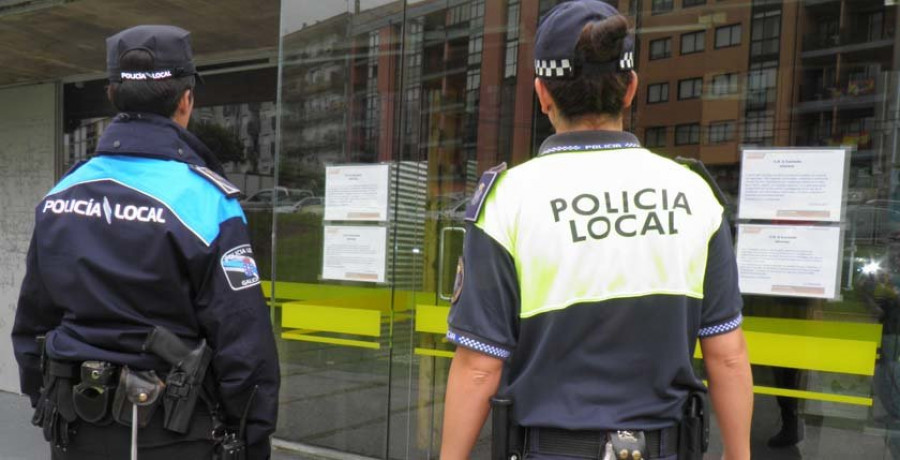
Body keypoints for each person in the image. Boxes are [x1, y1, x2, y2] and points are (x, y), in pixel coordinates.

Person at [440, 1, 753, 459]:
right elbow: (727, 355)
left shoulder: (507, 200)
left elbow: (477, 368)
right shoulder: (694, 195)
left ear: (542, 94)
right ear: (631, 89)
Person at [11, 25, 280, 459]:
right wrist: (252, 439)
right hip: (177, 435)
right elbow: (244, 346)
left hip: (75, 426)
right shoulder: (207, 201)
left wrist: (48, 403)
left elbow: (32, 325)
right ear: (186, 99)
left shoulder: (60, 196)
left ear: (112, 94)